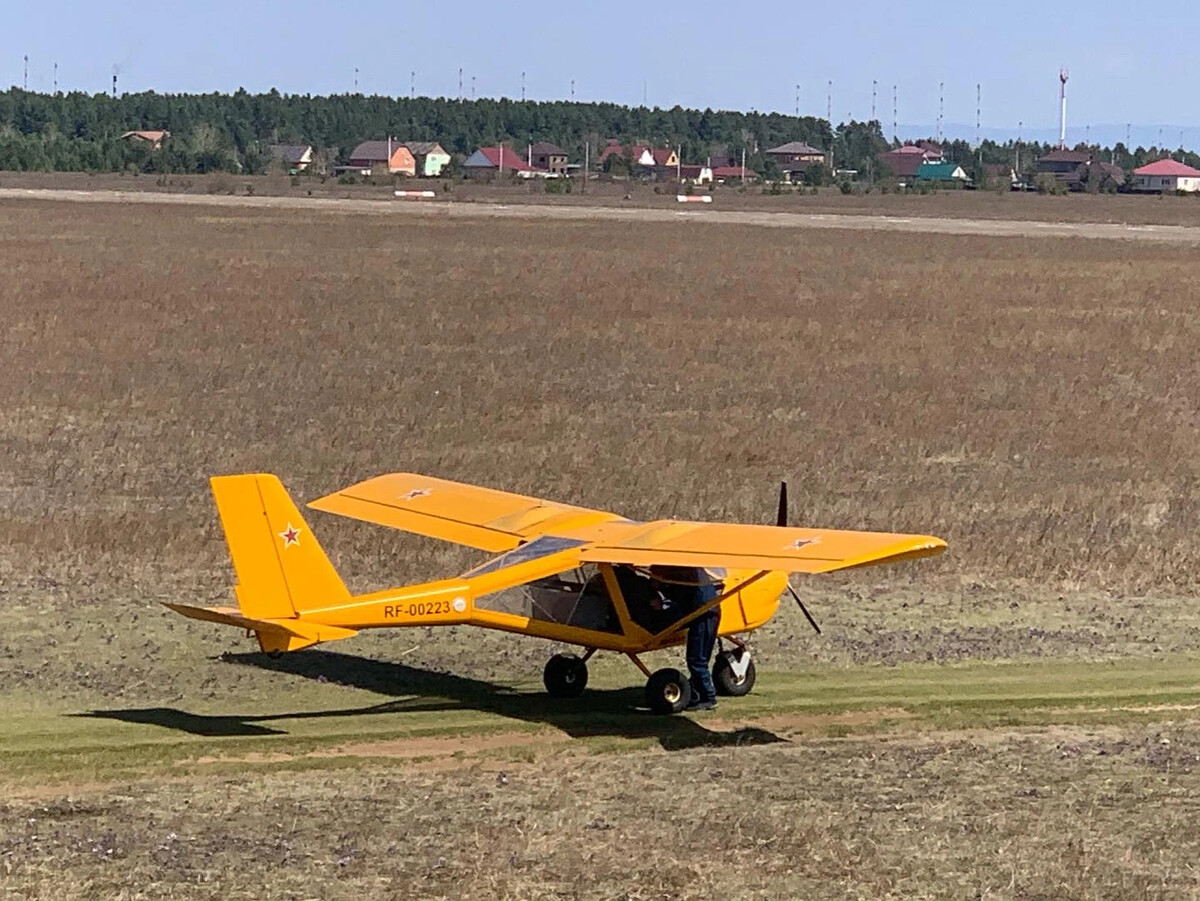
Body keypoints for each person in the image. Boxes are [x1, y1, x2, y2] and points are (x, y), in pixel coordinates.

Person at [650, 566, 722, 711]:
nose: (651, 578)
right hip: (702, 612)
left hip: (704, 614)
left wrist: (660, 594)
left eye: (653, 574)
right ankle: (695, 694)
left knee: (697, 660)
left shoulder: (683, 574)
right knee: (698, 659)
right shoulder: (685, 571)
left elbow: (682, 599)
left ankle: (709, 697)